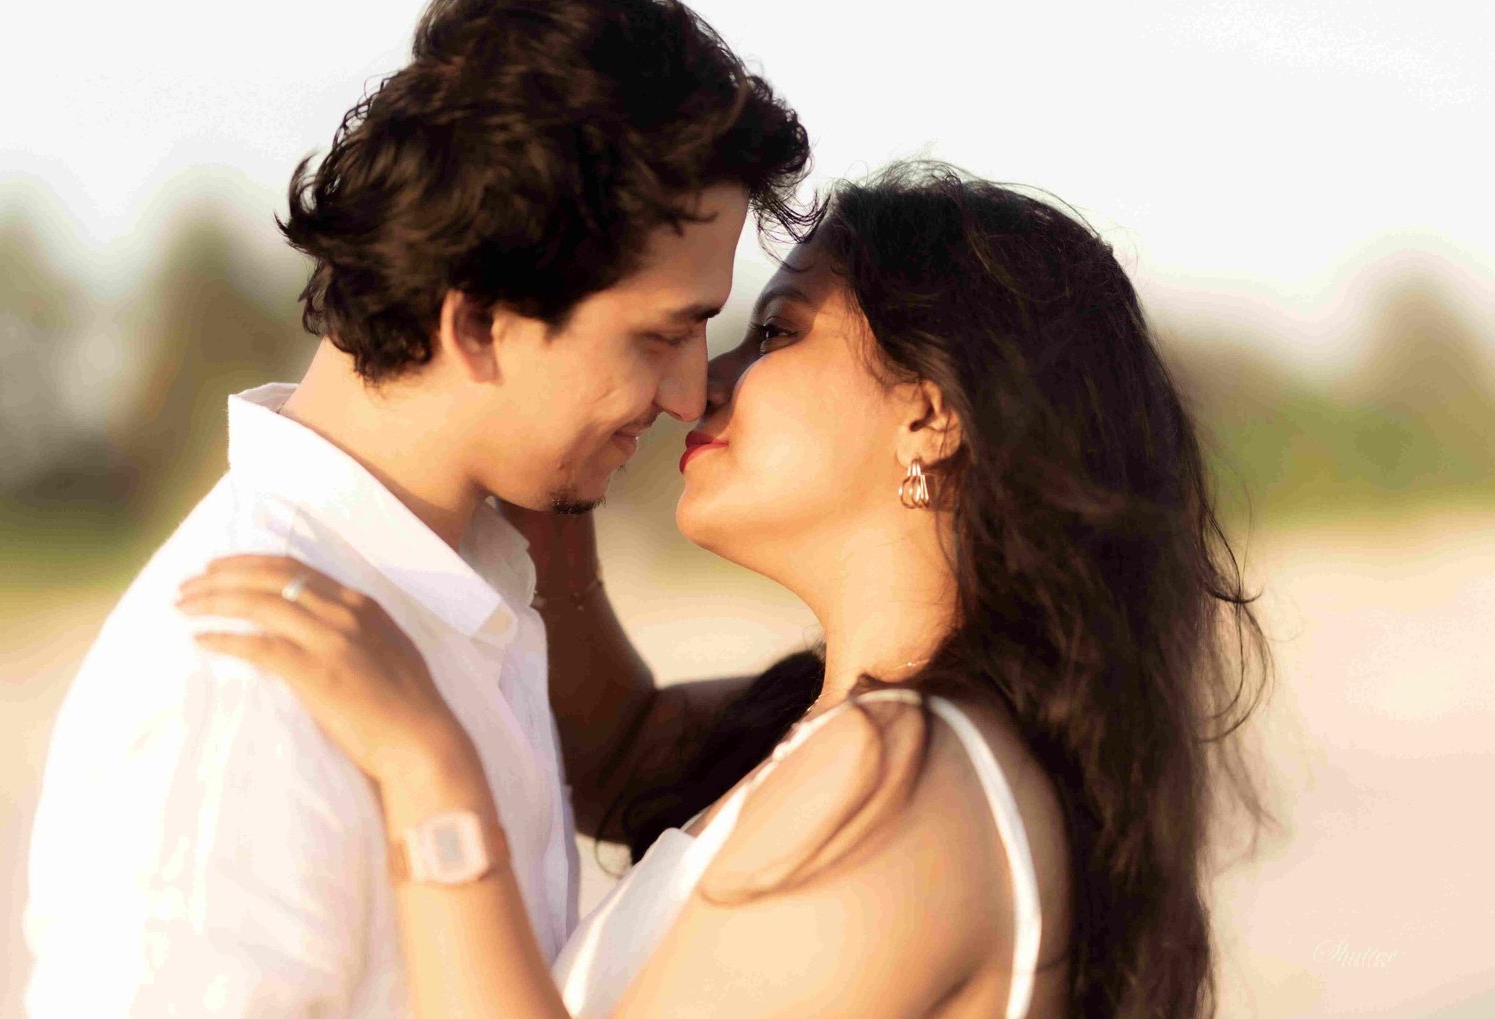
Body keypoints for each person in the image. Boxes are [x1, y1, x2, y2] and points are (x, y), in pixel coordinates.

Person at [179, 161, 1271, 1018]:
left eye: (779, 331)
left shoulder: (904, 779)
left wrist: (432, 784)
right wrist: (549, 456)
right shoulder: (865, 730)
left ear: (932, 412)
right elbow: (619, 748)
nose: (700, 384)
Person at [21, 0, 811, 1016]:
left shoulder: (455, 590)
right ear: (477, 321)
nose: (683, 395)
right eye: (660, 334)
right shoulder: (240, 678)